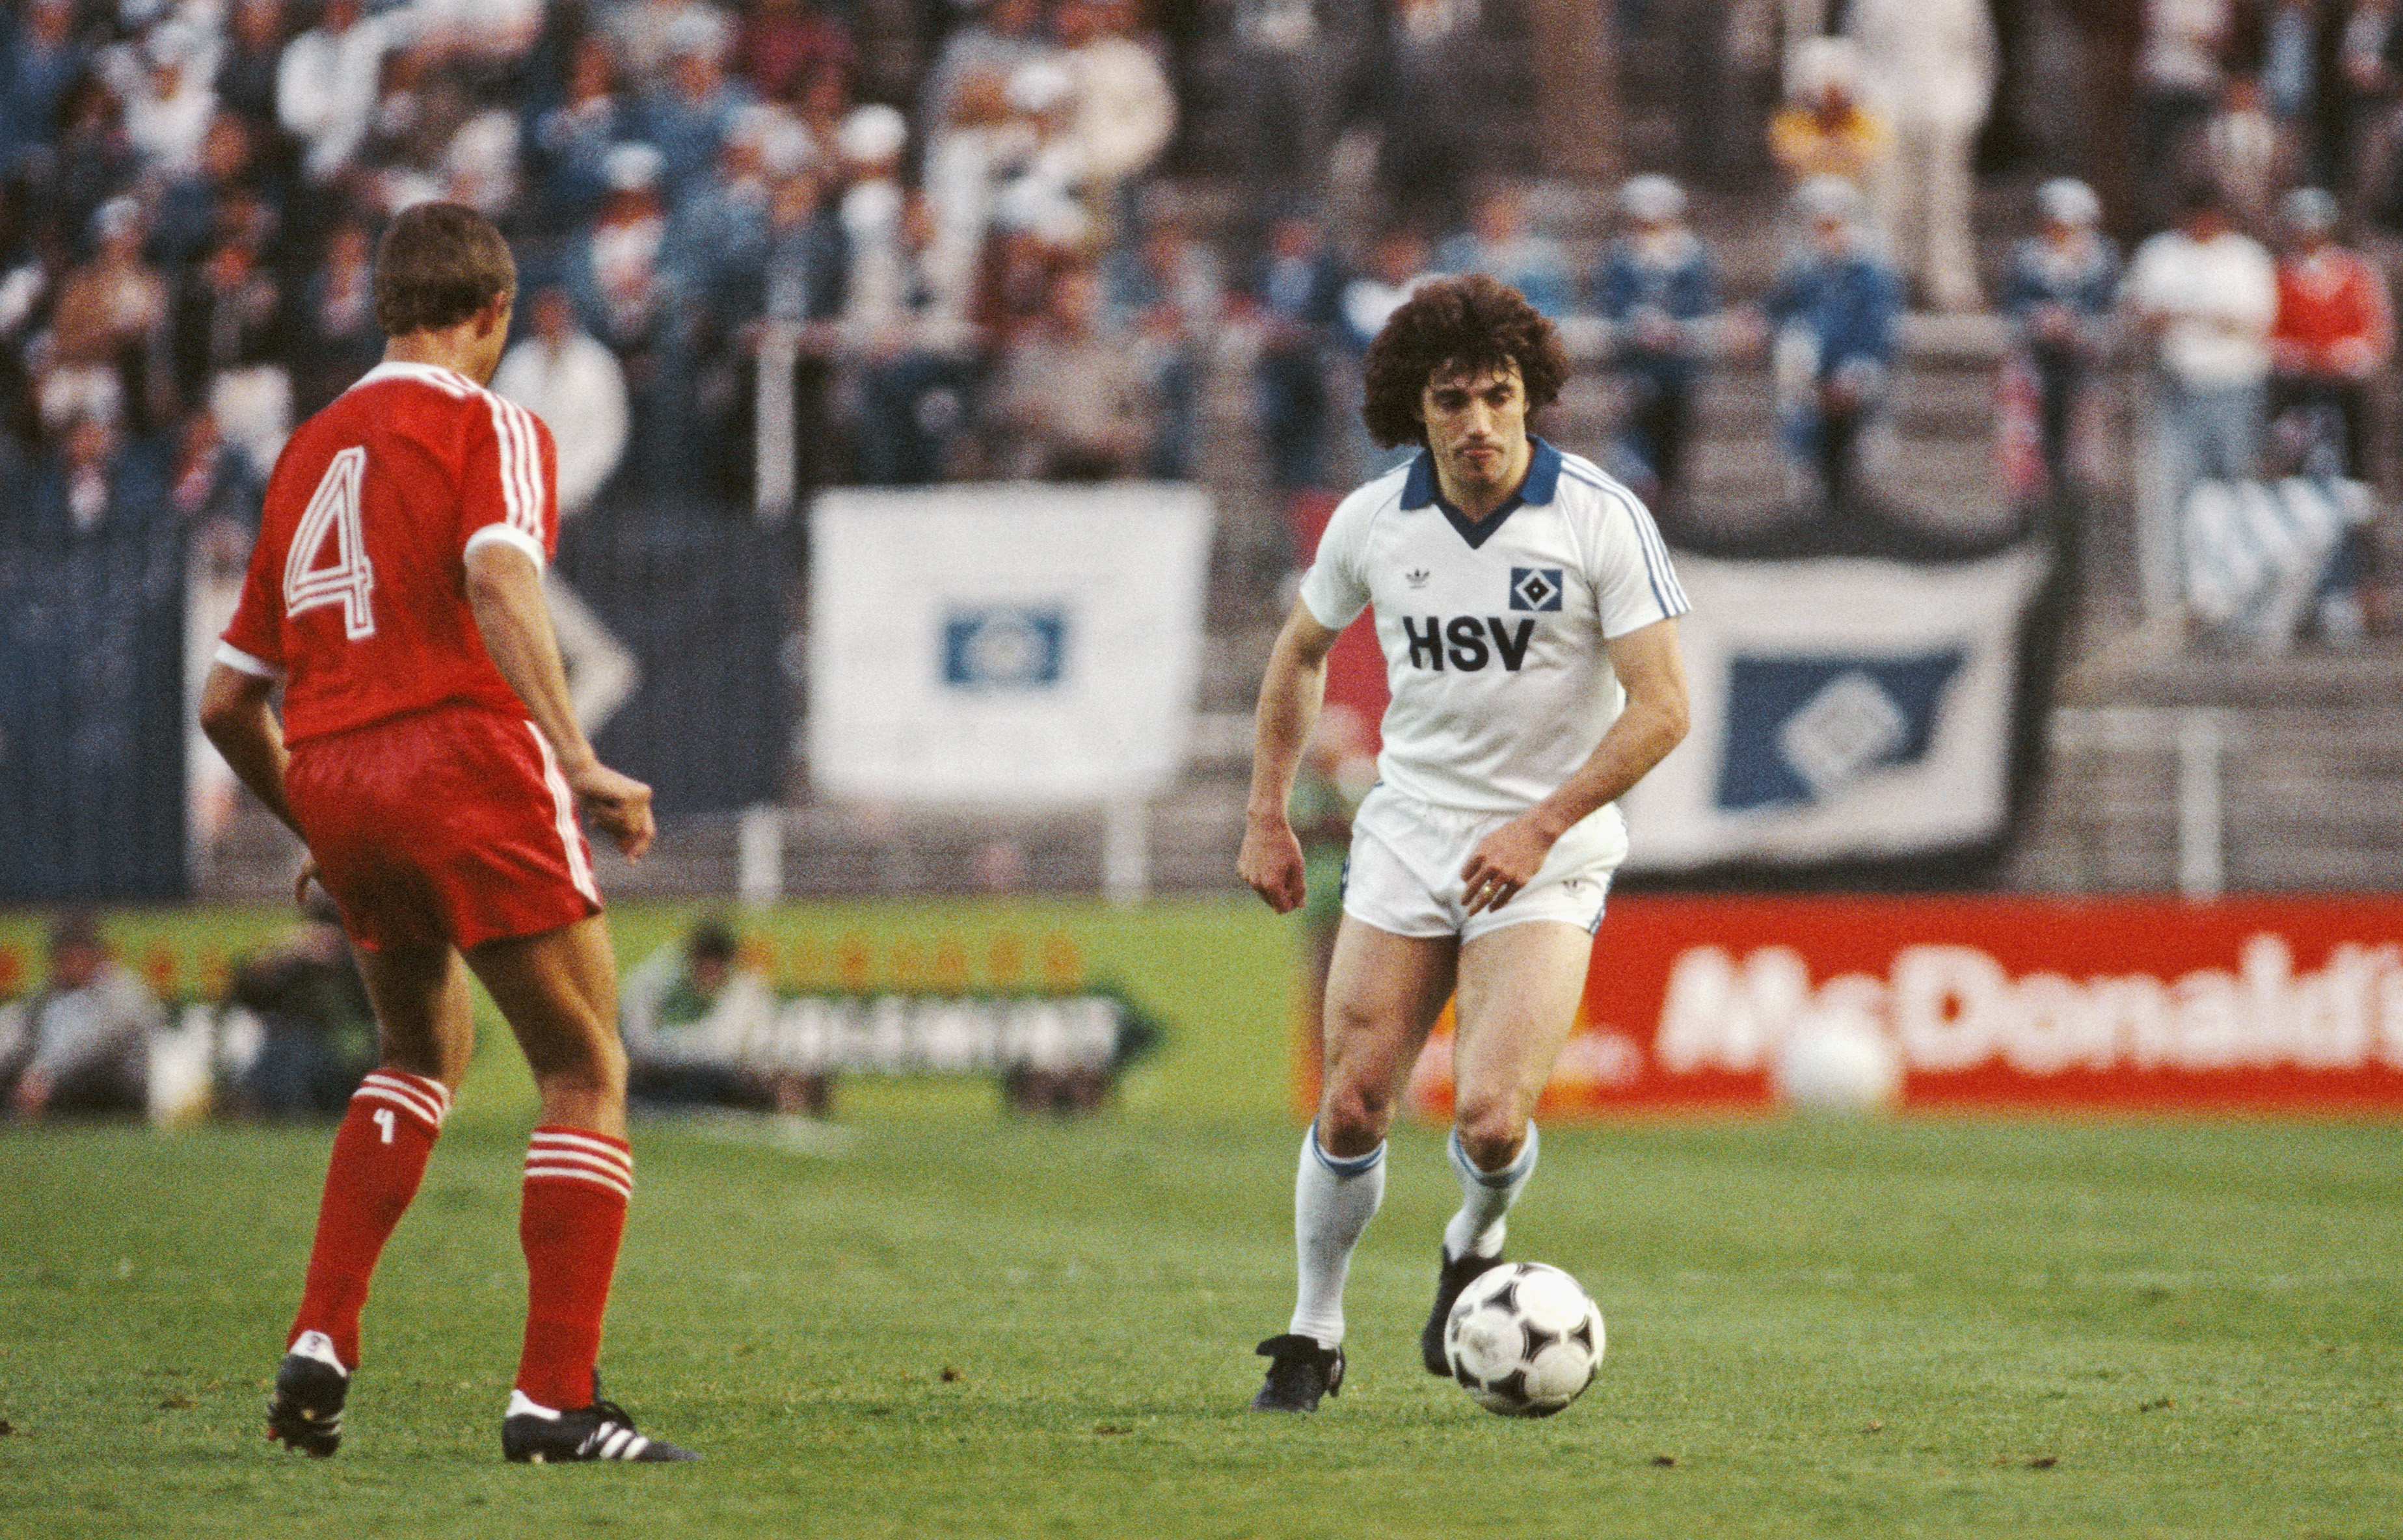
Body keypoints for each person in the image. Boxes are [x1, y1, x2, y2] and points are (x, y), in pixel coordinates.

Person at [198, 202, 695, 1463]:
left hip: (338, 772)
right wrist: (575, 755)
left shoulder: (309, 451)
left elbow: (225, 699)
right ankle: (552, 1398)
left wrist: (315, 810)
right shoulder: (494, 424)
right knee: (585, 1069)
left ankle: (321, 1332)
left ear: (385, 309)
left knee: (418, 1048)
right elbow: (495, 572)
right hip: (461, 753)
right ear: (493, 317)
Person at [1237, 274, 1692, 1413]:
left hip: (1550, 844)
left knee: (1490, 1119)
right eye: (1452, 401)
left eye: (1498, 395)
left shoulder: (1596, 515)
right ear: (1415, 408)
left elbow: (1661, 706)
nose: (1477, 422)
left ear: (1530, 396)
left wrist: (1540, 823)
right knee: (1351, 1099)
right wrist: (1265, 810)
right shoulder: (1372, 520)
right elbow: (1298, 652)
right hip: (1410, 833)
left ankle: (1471, 1244)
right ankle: (1312, 1330)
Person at [1762, 175, 1902, 510]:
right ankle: (1808, 495)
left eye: (1832, 225)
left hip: (1853, 371)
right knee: (1804, 432)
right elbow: (1779, 311)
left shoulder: (1870, 273)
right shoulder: (1803, 270)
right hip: (1810, 373)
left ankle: (1853, 498)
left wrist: (1856, 371)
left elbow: (1878, 329)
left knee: (1855, 437)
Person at [1591, 173, 1720, 512]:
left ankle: (1672, 500)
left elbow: (1701, 305)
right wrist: (1637, 324)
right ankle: (1638, 497)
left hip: (1678, 364)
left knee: (1674, 435)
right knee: (1635, 432)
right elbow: (1611, 305)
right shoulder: (1620, 259)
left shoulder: (1691, 258)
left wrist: (1676, 329)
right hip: (1636, 362)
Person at [621, 915, 827, 1114]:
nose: (709, 972)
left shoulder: (746, 989)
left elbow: (723, 1046)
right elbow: (637, 1027)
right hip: (664, 1067)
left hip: (710, 1071)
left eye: (716, 965)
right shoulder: (661, 978)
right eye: (704, 963)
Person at [2000, 178, 2121, 503]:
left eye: (2070, 225)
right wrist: (2039, 320)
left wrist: (2078, 325)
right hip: (2039, 361)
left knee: (2082, 447)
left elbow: (2110, 310)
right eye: (2055, 224)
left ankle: (2079, 504)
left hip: (2085, 362)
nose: (2062, 233)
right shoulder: (2026, 259)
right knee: (2036, 440)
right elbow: (2012, 308)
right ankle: (2036, 505)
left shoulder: (2103, 260)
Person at [0, 910, 162, 1121]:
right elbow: (19, 1035)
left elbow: (96, 1045)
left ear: (94, 954)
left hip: (112, 1082)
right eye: (62, 957)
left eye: (75, 955)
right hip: (49, 1078)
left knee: (84, 1076)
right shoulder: (47, 996)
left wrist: (45, 1076)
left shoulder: (122, 989)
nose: (69, 965)